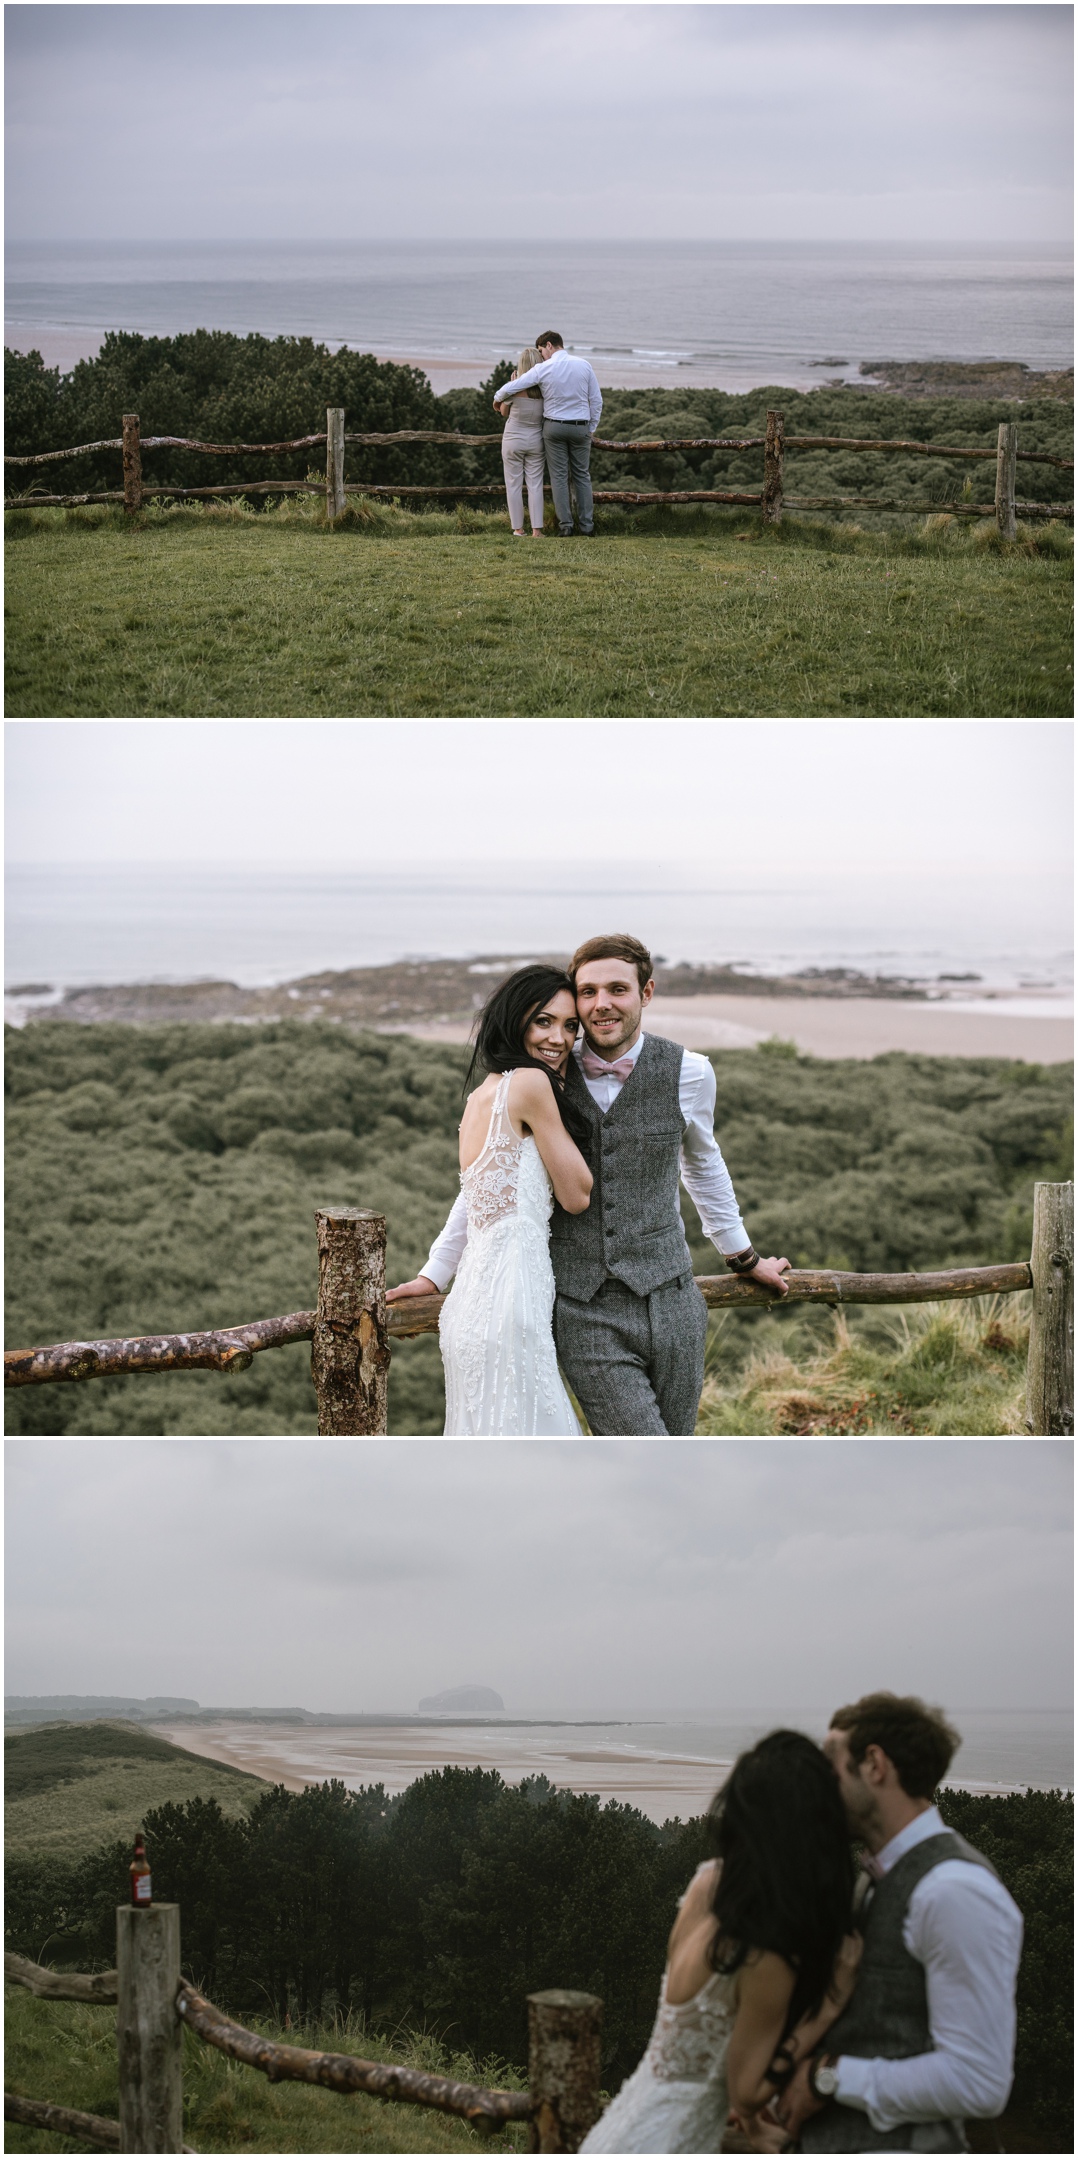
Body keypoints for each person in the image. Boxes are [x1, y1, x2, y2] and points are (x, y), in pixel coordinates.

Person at [389, 934, 790, 1436]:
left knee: (675, 1450)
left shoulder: (691, 1072)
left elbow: (704, 1166)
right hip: (583, 1310)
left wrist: (744, 1258)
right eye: (588, 992)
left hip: (674, 1300)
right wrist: (435, 1272)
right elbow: (494, 1180)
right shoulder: (545, 1070)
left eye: (617, 989)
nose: (601, 1004)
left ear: (646, 993)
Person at [581, 1731, 862, 2154]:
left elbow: (710, 2047)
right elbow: (746, 2090)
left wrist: (750, 2124)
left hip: (618, 2132)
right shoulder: (763, 1949)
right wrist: (829, 2007)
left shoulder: (707, 1884)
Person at [777, 1692, 1024, 2153]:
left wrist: (827, 2077)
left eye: (830, 1763)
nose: (818, 1783)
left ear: (874, 1765)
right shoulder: (876, 1877)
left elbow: (978, 2081)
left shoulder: (953, 1891)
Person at [389, 965, 592, 1436]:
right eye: (543, 1021)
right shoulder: (532, 1084)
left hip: (470, 1306)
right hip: (512, 1297)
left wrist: (432, 1275)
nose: (559, 1039)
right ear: (514, 1019)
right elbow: (577, 1195)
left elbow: (475, 1202)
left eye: (570, 1026)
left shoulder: (480, 1096)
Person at [493, 331, 602, 536]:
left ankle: (566, 527)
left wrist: (498, 398)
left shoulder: (544, 368)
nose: (542, 355)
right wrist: (591, 427)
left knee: (559, 477)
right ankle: (587, 526)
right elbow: (596, 400)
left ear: (549, 345)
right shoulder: (584, 365)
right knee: (582, 475)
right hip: (580, 425)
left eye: (541, 350)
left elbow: (514, 387)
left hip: (554, 427)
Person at [496, 345, 546, 537]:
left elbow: (503, 412)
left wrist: (512, 385)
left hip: (513, 438)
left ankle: (518, 529)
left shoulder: (515, 388)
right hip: (536, 439)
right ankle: (537, 530)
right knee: (535, 485)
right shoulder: (544, 389)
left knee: (513, 485)